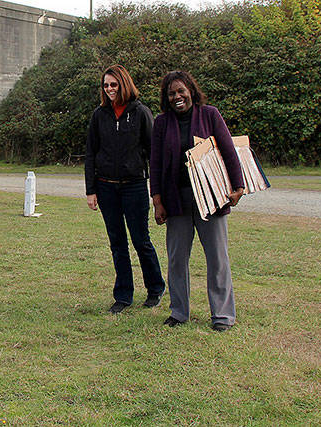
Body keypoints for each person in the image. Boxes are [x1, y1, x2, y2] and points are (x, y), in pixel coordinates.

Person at [150, 70, 244, 331]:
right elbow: (155, 164)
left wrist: (238, 186)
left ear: (191, 90)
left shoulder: (209, 114)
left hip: (211, 198)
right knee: (177, 260)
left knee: (217, 259)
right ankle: (179, 312)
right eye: (171, 93)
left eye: (181, 91)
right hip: (176, 200)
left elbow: (227, 151)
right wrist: (157, 200)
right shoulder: (161, 123)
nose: (177, 97)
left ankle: (222, 316)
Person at [85, 64, 166, 314]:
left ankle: (155, 289)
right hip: (106, 187)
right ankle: (123, 295)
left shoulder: (141, 112)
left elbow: (154, 152)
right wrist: (91, 189)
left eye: (113, 84)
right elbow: (91, 153)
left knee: (141, 240)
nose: (109, 89)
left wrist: (157, 192)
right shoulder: (99, 115)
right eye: (106, 85)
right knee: (117, 242)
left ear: (123, 84)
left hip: (135, 187)